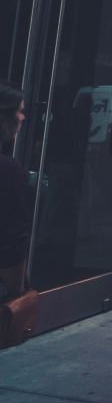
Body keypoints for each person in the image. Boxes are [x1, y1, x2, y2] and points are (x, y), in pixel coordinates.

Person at [0, 80, 32, 304]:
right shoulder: (8, 170)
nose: (23, 117)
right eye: (19, 111)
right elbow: (11, 241)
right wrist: (16, 291)